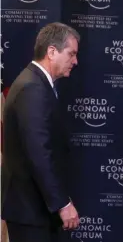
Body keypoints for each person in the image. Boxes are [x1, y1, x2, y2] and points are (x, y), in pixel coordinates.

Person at [1, 22, 81, 242]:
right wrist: (62, 204)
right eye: (71, 54)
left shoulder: (37, 83)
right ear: (52, 51)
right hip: (31, 211)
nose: (75, 61)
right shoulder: (32, 88)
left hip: (37, 210)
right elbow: (39, 152)